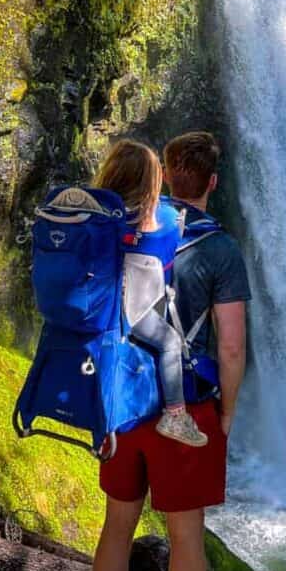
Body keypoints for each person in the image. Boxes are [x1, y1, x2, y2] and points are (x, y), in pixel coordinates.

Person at [90, 131, 251, 571]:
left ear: (164, 173)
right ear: (213, 182)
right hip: (185, 412)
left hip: (121, 401)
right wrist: (227, 410)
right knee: (186, 537)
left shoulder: (124, 230)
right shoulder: (221, 249)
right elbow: (230, 346)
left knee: (118, 524)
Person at [94, 139, 207, 448]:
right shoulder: (160, 218)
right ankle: (175, 414)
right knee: (170, 341)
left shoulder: (96, 212)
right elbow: (169, 250)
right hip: (128, 309)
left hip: (92, 303)